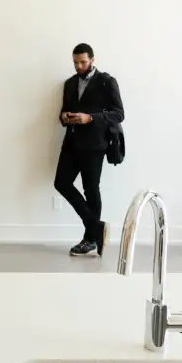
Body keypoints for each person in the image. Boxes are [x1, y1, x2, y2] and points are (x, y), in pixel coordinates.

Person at [55, 43, 124, 257]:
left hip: (95, 145)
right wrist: (65, 117)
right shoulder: (69, 83)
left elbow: (119, 113)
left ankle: (90, 238)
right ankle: (97, 228)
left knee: (91, 189)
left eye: (83, 62)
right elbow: (63, 111)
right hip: (72, 142)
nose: (79, 66)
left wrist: (91, 118)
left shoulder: (106, 82)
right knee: (61, 183)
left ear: (93, 60)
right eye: (75, 62)